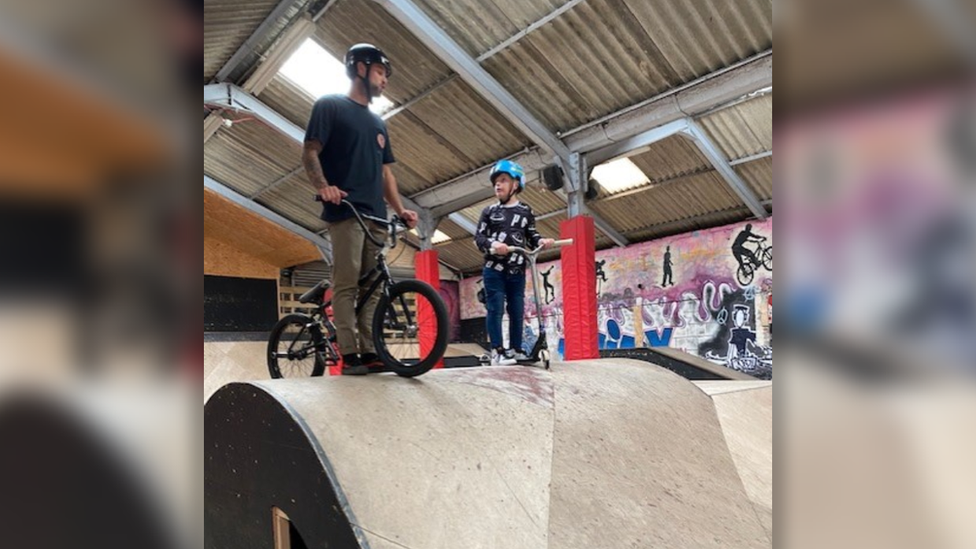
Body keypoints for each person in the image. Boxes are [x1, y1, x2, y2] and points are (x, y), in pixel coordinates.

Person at [301, 43, 418, 375]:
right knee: (348, 284)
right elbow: (310, 151)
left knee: (373, 289)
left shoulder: (379, 125)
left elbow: (386, 174)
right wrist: (323, 187)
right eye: (381, 72)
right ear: (361, 69)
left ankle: (370, 350)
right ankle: (350, 352)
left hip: (376, 217)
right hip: (346, 212)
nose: (384, 81)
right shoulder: (330, 106)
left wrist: (401, 209)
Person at [474, 160, 554, 365]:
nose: (498, 186)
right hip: (494, 270)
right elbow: (479, 239)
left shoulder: (526, 212)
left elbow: (532, 235)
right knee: (496, 308)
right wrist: (494, 244)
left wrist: (542, 241)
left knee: (517, 309)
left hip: (517, 271)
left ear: (516, 185)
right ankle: (498, 351)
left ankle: (517, 349)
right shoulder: (489, 212)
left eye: (503, 181)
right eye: (495, 182)